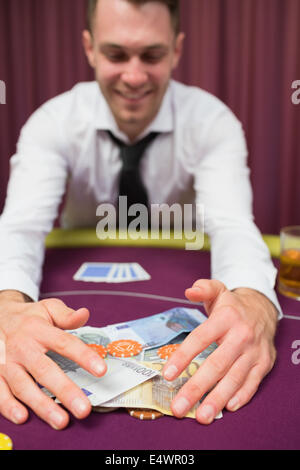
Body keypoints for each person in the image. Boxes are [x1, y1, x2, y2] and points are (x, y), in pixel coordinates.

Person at [0, 0, 281, 430]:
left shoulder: (212, 120)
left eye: (152, 55)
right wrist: (5, 306)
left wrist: (255, 301)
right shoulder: (53, 121)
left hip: (183, 261)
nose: (134, 76)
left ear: (177, 50)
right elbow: (20, 225)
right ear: (90, 48)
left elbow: (231, 224)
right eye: (116, 55)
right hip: (79, 262)